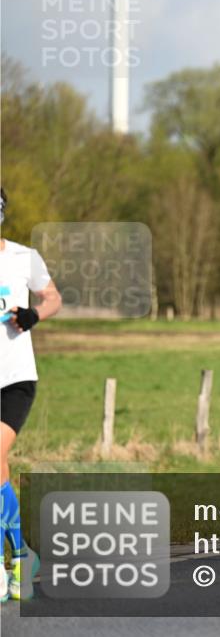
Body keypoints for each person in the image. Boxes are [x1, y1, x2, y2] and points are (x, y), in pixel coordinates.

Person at [0, 188, 63, 601]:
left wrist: (34, 314)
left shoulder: (24, 257)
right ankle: (20, 555)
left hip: (15, 377)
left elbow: (53, 297)